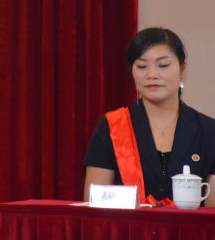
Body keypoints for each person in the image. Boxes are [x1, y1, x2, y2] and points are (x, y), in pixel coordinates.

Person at [83, 27, 215, 206]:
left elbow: (211, 213)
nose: (152, 75)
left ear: (183, 69)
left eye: (163, 65)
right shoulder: (112, 127)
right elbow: (95, 207)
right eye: (142, 66)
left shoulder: (209, 131)